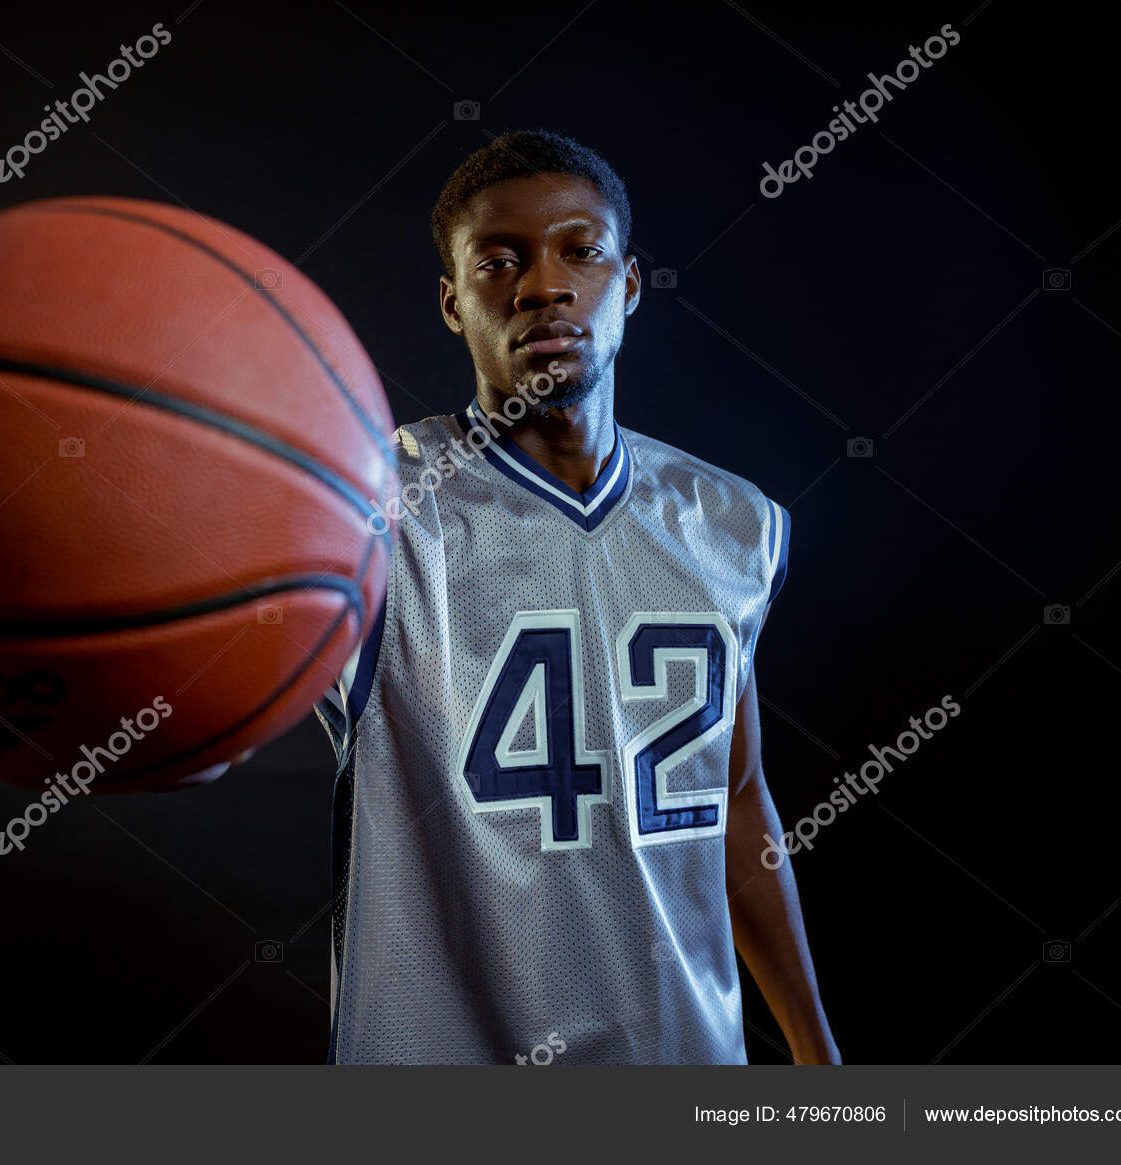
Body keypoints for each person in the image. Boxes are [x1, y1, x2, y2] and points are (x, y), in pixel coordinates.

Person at [310, 129, 839, 1065]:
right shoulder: (365, 513)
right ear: (453, 303)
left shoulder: (732, 523)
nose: (543, 284)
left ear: (629, 285)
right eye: (499, 261)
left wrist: (815, 1050)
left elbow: (740, 799)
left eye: (578, 251)